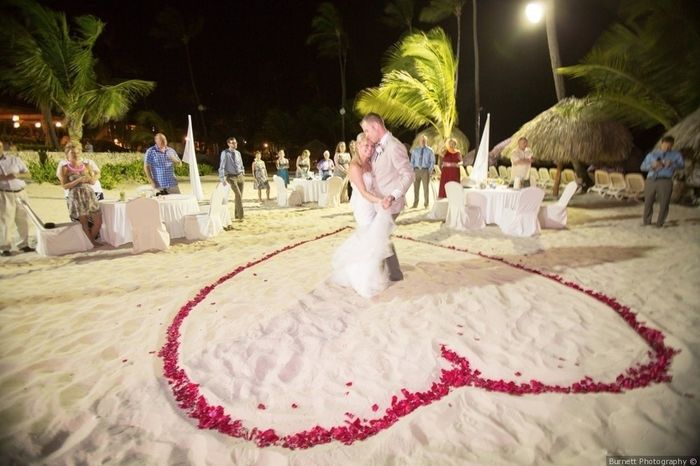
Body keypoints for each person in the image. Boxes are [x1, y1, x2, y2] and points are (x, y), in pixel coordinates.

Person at [331, 133, 395, 297]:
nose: (369, 148)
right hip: (363, 206)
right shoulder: (355, 166)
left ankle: (371, 272)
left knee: (372, 239)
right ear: (357, 146)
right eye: (365, 146)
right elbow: (364, 192)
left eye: (371, 146)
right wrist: (380, 201)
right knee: (368, 237)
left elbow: (375, 184)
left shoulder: (368, 162)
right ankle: (359, 274)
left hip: (373, 204)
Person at [360, 112, 414, 281]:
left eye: (367, 131)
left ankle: (387, 273)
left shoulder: (394, 145)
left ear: (376, 126)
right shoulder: (378, 146)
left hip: (390, 203)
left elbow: (408, 175)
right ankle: (393, 272)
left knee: (379, 237)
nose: (366, 135)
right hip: (379, 202)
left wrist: (393, 195)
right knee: (382, 237)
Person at [61, 144, 102, 245]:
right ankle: (91, 243)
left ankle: (89, 242)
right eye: (73, 153)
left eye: (78, 152)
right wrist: (78, 180)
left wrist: (92, 179)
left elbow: (93, 180)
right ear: (67, 154)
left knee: (98, 221)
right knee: (84, 222)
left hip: (89, 193)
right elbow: (65, 186)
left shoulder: (86, 165)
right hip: (75, 195)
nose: (76, 154)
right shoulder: (65, 168)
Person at [640, 135, 684, 227]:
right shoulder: (652, 154)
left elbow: (681, 166)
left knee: (664, 203)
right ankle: (646, 222)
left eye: (669, 146)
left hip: (665, 180)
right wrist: (652, 166)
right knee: (648, 202)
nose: (667, 148)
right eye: (665, 145)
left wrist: (672, 164)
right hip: (651, 180)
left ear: (672, 145)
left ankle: (660, 223)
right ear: (661, 143)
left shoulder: (676, 155)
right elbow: (642, 167)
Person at [0, 140, 34, 256]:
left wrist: (16, 175)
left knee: (24, 220)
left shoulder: (14, 160)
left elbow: (28, 175)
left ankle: (24, 244)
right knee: (5, 221)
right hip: (4, 194)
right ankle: (5, 248)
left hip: (21, 193)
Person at [219, 137, 245, 220]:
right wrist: (222, 178)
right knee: (238, 195)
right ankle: (241, 216)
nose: (235, 144)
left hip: (240, 176)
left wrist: (243, 171)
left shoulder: (238, 153)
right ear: (228, 144)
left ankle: (237, 215)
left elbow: (240, 163)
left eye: (236, 142)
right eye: (233, 143)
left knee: (239, 197)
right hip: (231, 177)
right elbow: (222, 166)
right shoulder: (225, 153)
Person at [410, 135, 435, 209]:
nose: (423, 141)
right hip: (416, 170)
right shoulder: (415, 150)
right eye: (421, 140)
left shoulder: (430, 150)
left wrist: (429, 171)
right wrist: (412, 171)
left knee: (426, 189)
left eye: (424, 140)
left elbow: (432, 161)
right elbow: (412, 161)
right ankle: (415, 204)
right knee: (416, 188)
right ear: (419, 141)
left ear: (426, 141)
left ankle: (426, 204)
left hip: (425, 171)